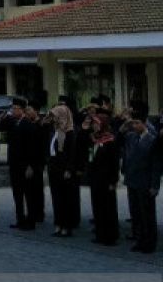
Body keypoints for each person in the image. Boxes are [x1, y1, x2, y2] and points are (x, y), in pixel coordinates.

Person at [122, 116, 160, 253]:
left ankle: (149, 243)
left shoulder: (152, 139)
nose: (134, 126)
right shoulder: (131, 137)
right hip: (132, 180)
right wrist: (124, 126)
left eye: (137, 123)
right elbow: (118, 142)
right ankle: (139, 240)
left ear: (144, 124)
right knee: (136, 214)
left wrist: (155, 185)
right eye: (133, 123)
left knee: (147, 215)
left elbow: (156, 164)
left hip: (145, 182)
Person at [0, 97, 35, 229]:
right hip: (14, 163)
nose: (13, 110)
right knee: (17, 194)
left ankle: (30, 221)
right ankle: (20, 219)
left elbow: (32, 147)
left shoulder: (28, 124)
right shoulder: (11, 122)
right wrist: (2, 117)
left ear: (22, 110)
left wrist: (30, 165)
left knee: (28, 194)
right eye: (12, 108)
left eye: (16, 108)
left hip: (25, 164)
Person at [45, 104, 81, 237]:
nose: (54, 118)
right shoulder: (54, 130)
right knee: (56, 198)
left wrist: (69, 169)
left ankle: (67, 226)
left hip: (64, 169)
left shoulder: (70, 132)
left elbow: (72, 154)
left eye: (56, 116)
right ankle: (58, 224)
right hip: (54, 168)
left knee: (66, 199)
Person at [86, 113, 120, 246]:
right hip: (95, 180)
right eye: (93, 123)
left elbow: (115, 163)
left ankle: (110, 236)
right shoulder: (94, 139)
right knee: (97, 207)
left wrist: (113, 181)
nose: (94, 126)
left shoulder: (110, 140)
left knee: (108, 208)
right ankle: (100, 234)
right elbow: (90, 158)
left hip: (106, 180)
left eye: (96, 123)